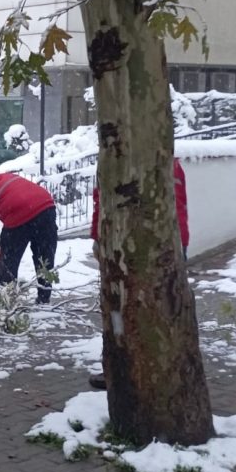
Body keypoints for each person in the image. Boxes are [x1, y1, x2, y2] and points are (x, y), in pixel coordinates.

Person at [87, 157, 190, 390]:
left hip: (136, 246)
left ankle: (127, 370)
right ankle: (162, 369)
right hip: (170, 242)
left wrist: (97, 237)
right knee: (164, 307)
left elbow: (101, 202)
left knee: (124, 310)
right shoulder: (167, 161)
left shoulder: (119, 164)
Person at [0, 173, 58, 304]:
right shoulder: (1, 178)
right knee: (44, 258)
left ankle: (9, 300)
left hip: (18, 213)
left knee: (9, 263)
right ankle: (44, 298)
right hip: (46, 206)